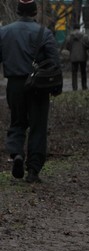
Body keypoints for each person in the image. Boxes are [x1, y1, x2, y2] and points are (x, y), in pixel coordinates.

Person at [0, 0, 61, 183]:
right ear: (35, 12)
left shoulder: (4, 32)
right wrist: (55, 87)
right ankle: (33, 169)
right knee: (38, 126)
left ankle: (17, 153)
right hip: (38, 86)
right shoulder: (45, 33)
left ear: (18, 11)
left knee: (17, 122)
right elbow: (55, 63)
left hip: (15, 84)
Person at [65, 23, 89, 90]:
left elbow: (67, 46)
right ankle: (84, 86)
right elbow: (87, 45)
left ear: (73, 28)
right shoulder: (84, 36)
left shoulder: (70, 36)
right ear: (79, 28)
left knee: (74, 73)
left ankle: (74, 87)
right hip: (83, 56)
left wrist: (72, 49)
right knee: (83, 72)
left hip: (73, 56)